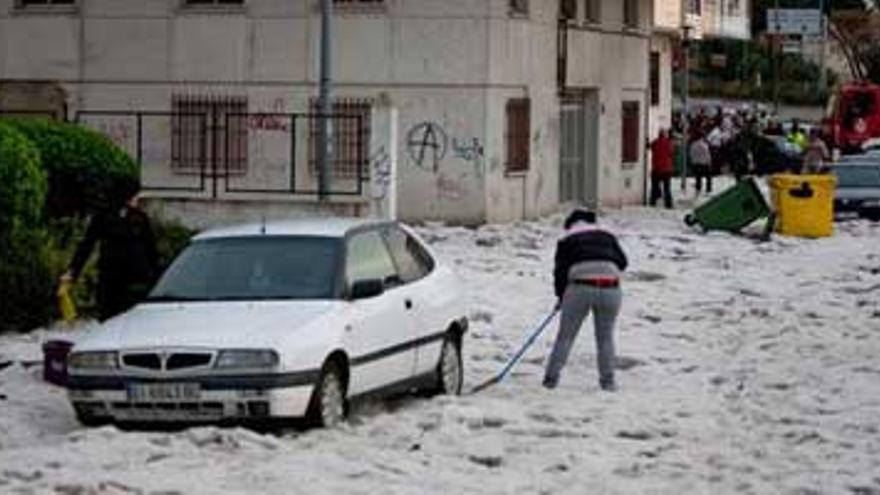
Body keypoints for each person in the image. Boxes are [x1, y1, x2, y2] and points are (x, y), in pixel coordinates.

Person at [544, 209, 628, 392]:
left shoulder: (567, 240)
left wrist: (560, 296)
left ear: (570, 224)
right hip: (611, 287)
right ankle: (608, 382)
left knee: (565, 336)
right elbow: (622, 262)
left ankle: (550, 380)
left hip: (580, 287)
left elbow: (560, 272)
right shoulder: (607, 236)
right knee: (605, 337)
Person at [60, 181, 158, 321]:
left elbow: (150, 249)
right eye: (135, 196)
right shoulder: (104, 217)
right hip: (111, 278)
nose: (137, 200)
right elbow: (87, 245)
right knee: (110, 318)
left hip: (135, 279)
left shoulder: (139, 218)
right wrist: (73, 271)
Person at [649, 129, 674, 209]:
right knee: (667, 187)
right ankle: (668, 203)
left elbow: (650, 147)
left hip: (657, 168)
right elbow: (671, 152)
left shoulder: (655, 142)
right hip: (667, 169)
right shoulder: (669, 143)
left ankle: (653, 201)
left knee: (654, 186)